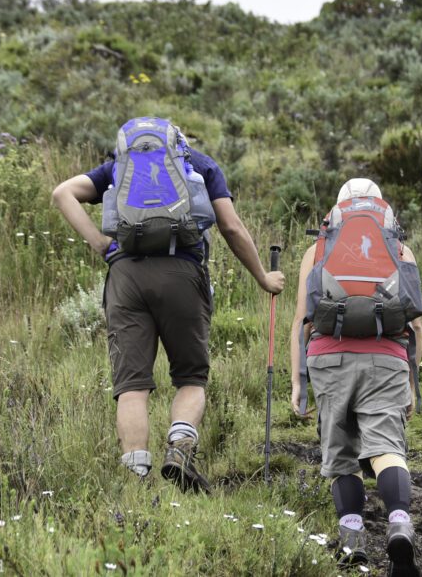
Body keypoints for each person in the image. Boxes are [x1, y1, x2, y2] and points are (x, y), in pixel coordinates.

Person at [52, 119, 284, 493]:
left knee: (132, 386)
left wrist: (101, 245)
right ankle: (178, 450)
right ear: (178, 142)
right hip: (182, 273)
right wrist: (262, 277)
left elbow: (62, 193)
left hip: (126, 275)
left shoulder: (118, 166)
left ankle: (136, 482)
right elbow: (232, 227)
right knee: (190, 378)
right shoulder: (201, 165)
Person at [290, 178, 422, 575]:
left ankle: (352, 540)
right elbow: (415, 325)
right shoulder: (400, 248)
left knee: (341, 455)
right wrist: (412, 383)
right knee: (386, 448)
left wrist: (298, 380)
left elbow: (302, 320)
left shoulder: (317, 251)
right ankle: (399, 521)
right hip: (387, 357)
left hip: (329, 358)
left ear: (336, 213)